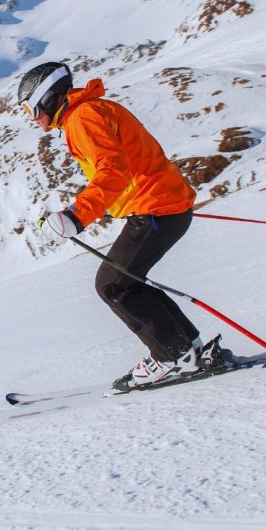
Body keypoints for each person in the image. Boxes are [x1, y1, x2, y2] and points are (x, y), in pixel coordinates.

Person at [19, 61, 230, 391]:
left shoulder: (82, 118)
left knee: (112, 285)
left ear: (48, 98)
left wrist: (77, 216)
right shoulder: (89, 111)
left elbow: (113, 171)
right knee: (127, 282)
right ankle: (185, 349)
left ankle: (172, 355)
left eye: (31, 108)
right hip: (163, 206)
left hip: (156, 209)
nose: (32, 118)